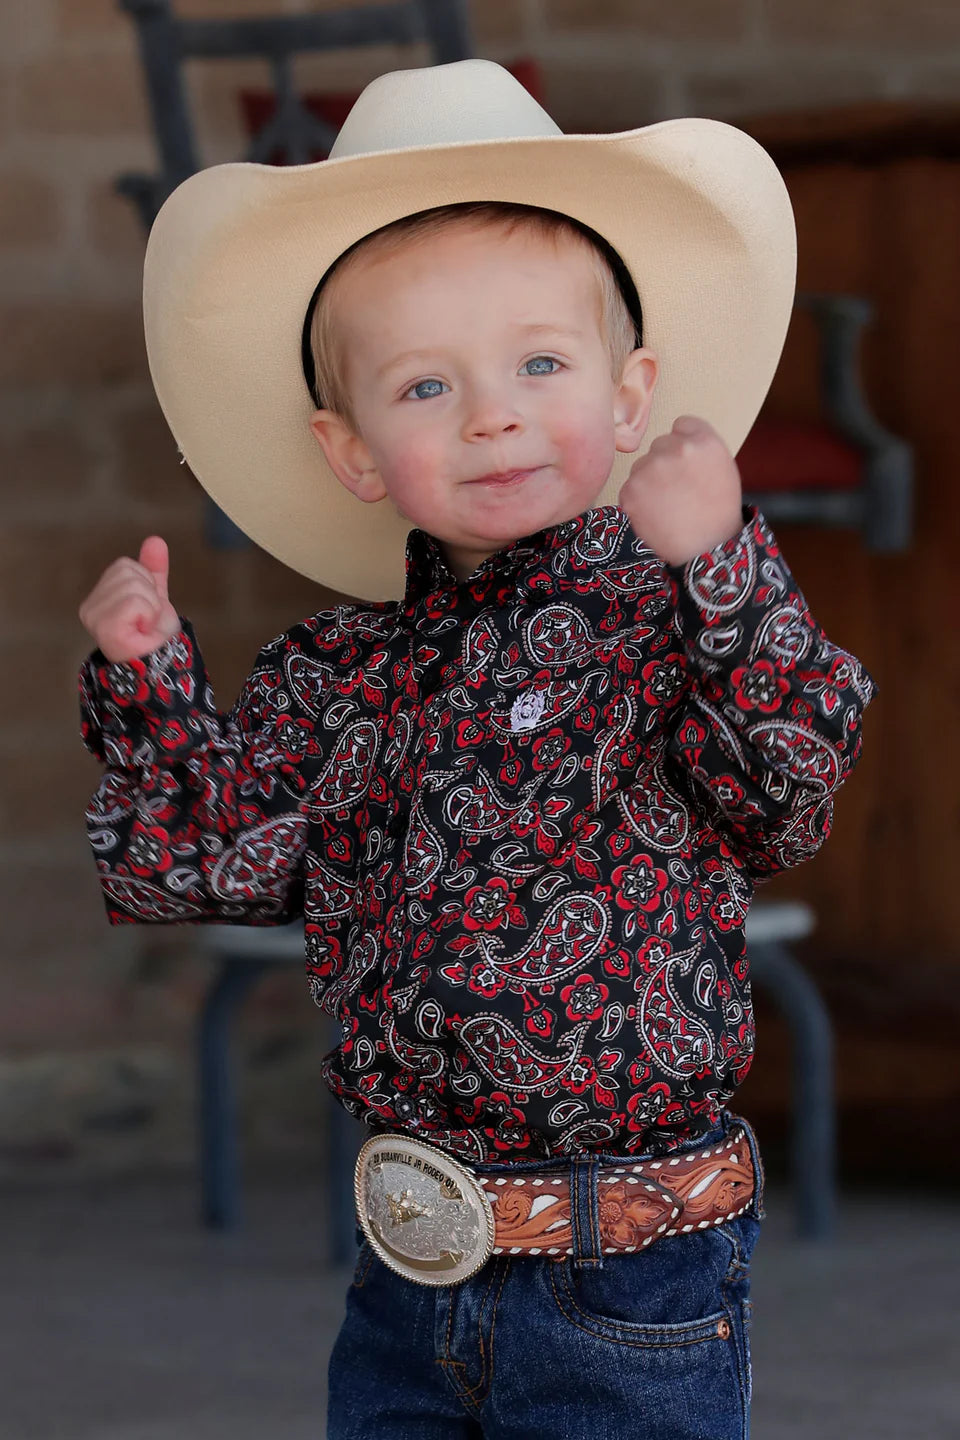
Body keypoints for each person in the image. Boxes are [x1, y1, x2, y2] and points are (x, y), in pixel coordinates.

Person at [77, 60, 874, 1439]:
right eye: (426, 385)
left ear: (632, 401)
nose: (491, 412)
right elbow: (199, 865)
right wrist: (148, 682)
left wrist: (725, 568)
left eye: (540, 365)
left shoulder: (668, 622)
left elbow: (789, 781)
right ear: (354, 450)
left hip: (629, 1278)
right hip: (411, 1269)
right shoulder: (344, 675)